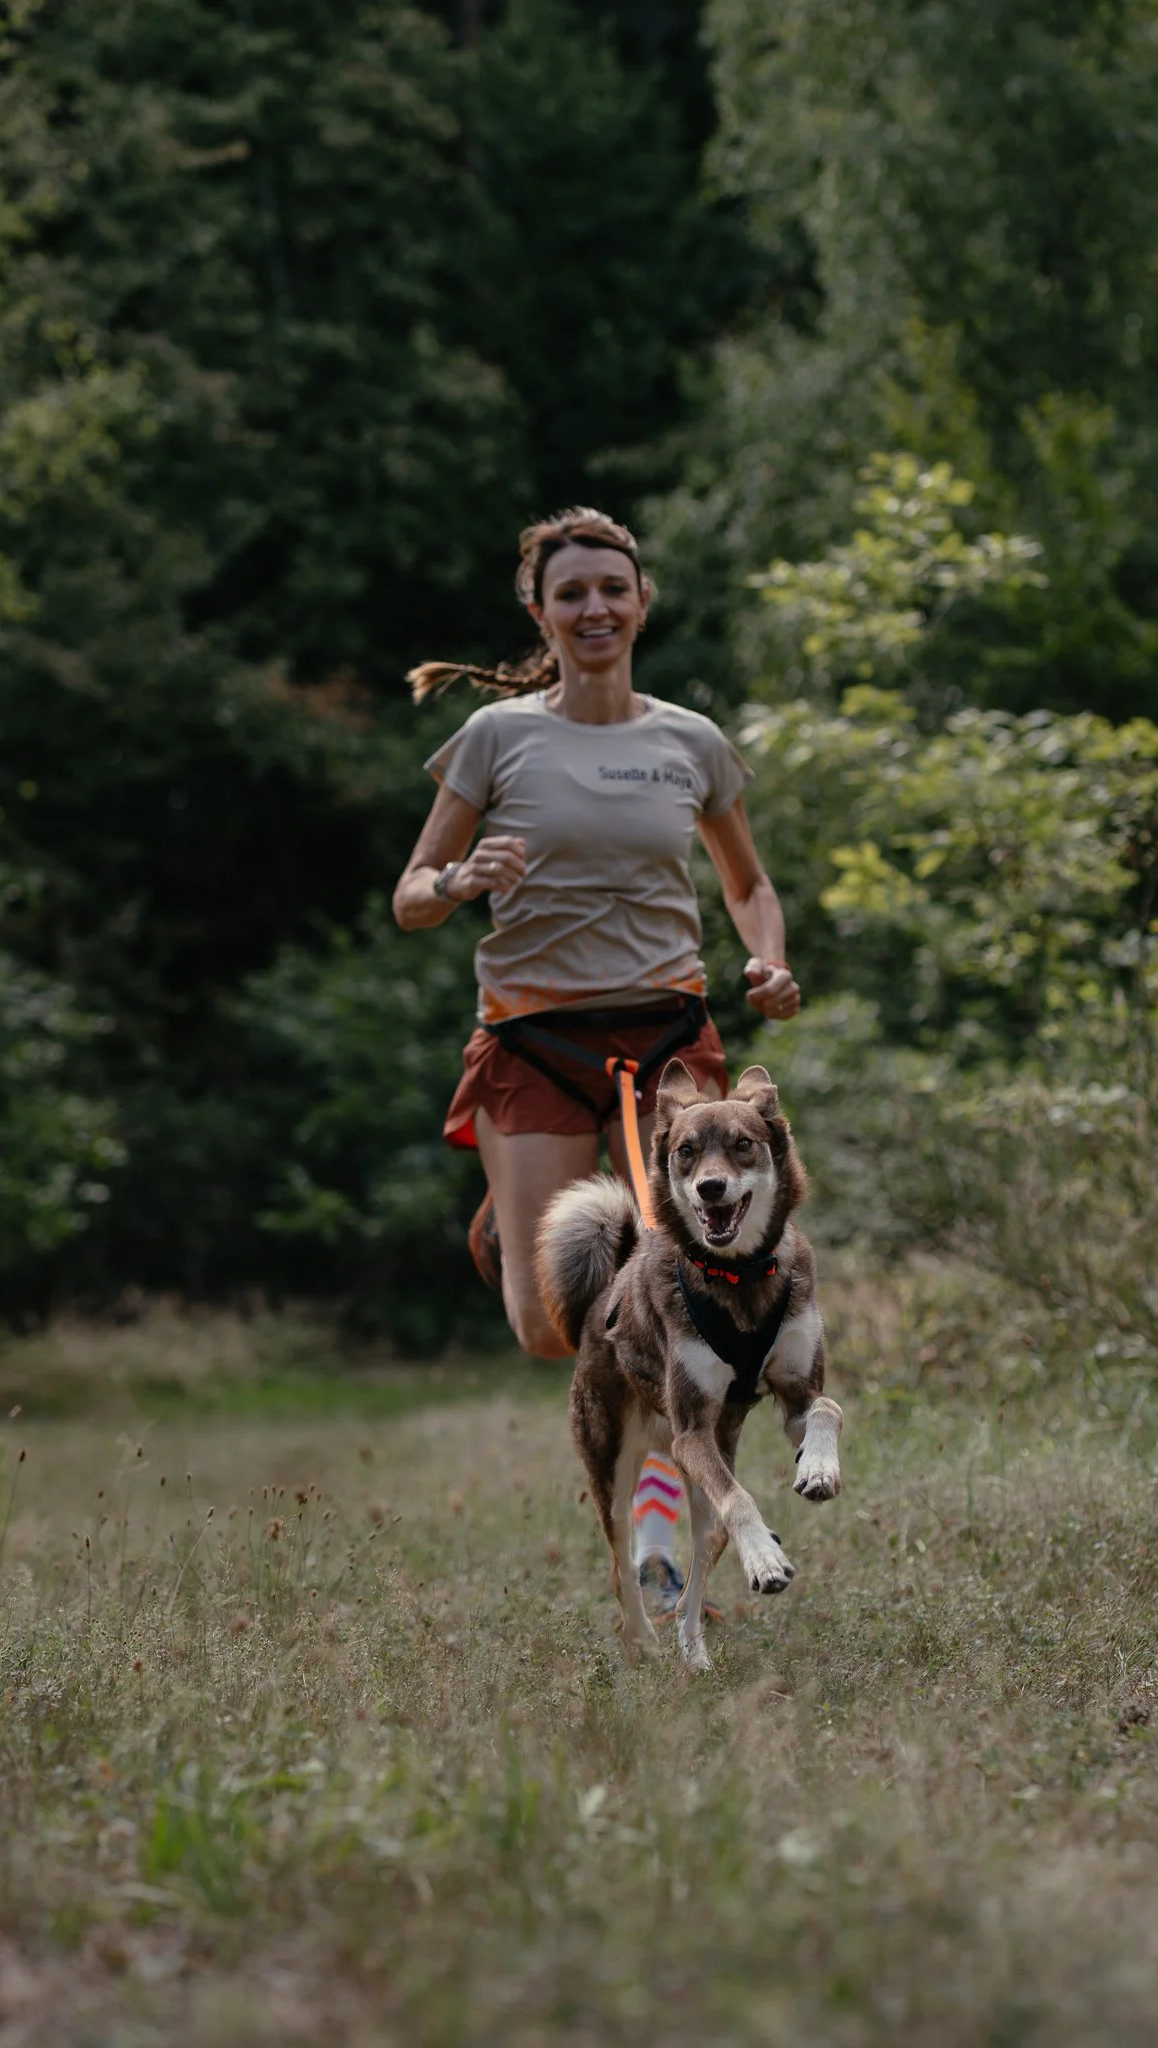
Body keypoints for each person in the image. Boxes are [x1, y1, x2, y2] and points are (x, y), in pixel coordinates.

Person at [392, 506, 801, 1610]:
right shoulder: (497, 739)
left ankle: (668, 1543)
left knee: (706, 1301)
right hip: (535, 1035)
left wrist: (767, 960)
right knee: (546, 1325)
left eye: (612, 587)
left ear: (641, 599)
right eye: (570, 592)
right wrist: (463, 879)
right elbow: (410, 896)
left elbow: (748, 885)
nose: (594, 608)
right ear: (540, 611)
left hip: (670, 1042)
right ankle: (546, 1229)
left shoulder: (691, 740)